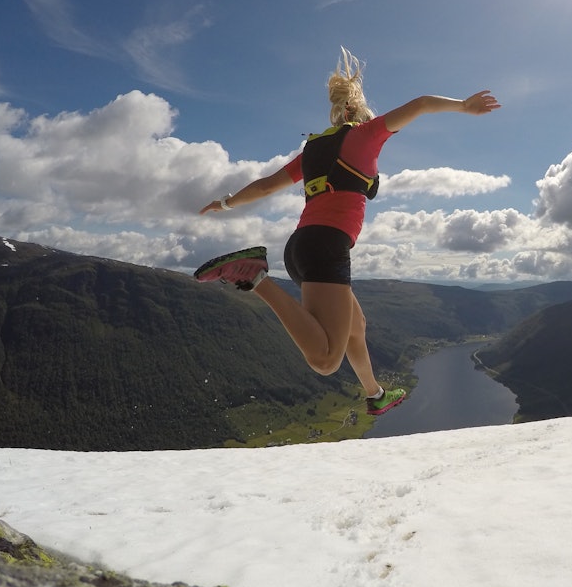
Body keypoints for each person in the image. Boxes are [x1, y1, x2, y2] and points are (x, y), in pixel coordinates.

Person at [195, 48, 501, 415]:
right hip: (326, 246)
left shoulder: (312, 150)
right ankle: (256, 278)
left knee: (357, 324)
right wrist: (463, 106)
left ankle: (374, 395)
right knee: (325, 359)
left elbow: (264, 187)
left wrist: (226, 203)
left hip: (302, 247)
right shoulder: (367, 135)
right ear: (361, 116)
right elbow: (420, 104)